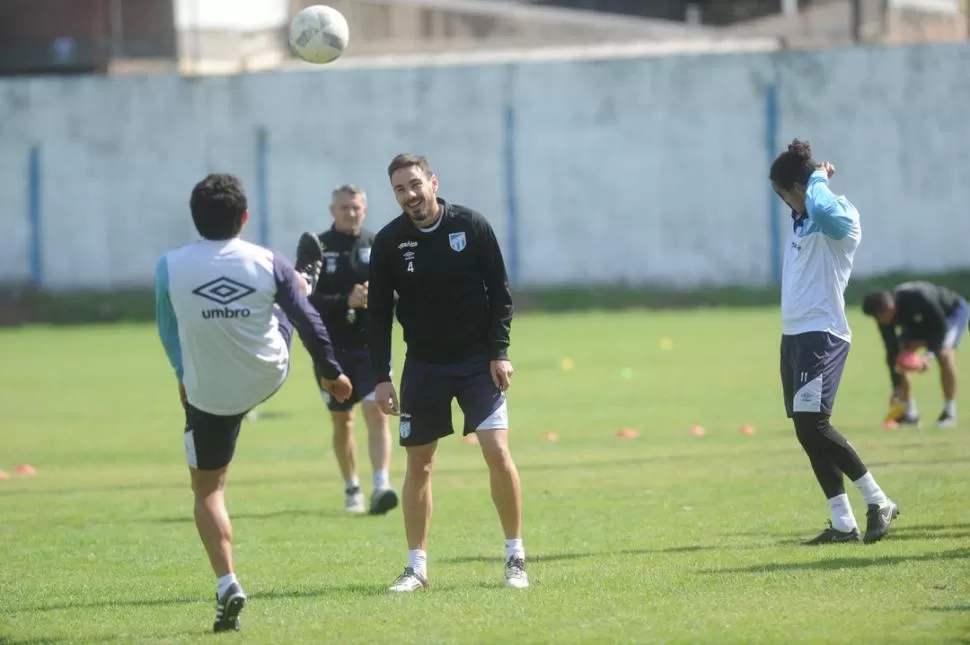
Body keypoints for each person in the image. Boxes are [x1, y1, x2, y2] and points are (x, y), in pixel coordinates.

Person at [155, 173, 352, 632]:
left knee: (207, 491)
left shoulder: (170, 265)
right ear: (245, 217)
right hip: (267, 373)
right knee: (289, 303)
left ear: (195, 218)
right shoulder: (267, 261)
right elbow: (309, 321)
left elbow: (167, 330)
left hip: (208, 392)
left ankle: (227, 583)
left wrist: (183, 376)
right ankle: (303, 280)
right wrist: (331, 370)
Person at [367, 153, 527, 591]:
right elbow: (378, 314)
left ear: (433, 182)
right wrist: (380, 376)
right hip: (423, 366)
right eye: (400, 189)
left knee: (496, 453)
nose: (410, 195)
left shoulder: (471, 226)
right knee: (419, 465)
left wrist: (499, 352)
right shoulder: (388, 243)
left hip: (478, 363)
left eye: (415, 184)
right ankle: (416, 567)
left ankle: (516, 557)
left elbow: (500, 292)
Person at [770, 139, 899, 545]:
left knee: (817, 424)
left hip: (821, 335)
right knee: (805, 430)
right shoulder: (803, 216)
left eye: (784, 194)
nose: (785, 203)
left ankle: (879, 501)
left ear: (799, 187)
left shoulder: (838, 214)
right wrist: (808, 187)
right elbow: (810, 209)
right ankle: (842, 522)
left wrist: (818, 179)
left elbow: (822, 207)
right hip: (793, 337)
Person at [295, 184, 398, 515]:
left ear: (364, 210)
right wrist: (346, 301)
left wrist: (376, 296)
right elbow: (304, 299)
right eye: (344, 208)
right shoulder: (318, 247)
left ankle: (381, 484)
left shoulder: (378, 244)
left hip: (370, 347)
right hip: (332, 350)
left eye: (356, 207)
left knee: (377, 412)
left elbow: (399, 293)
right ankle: (352, 487)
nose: (351, 213)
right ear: (332, 211)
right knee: (343, 421)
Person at [862, 282, 969, 428]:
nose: (878, 321)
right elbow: (891, 351)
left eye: (878, 317)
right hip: (922, 324)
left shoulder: (918, 297)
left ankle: (949, 412)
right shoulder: (883, 317)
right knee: (901, 358)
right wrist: (896, 387)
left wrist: (928, 356)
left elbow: (940, 328)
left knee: (944, 353)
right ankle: (910, 414)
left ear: (889, 307)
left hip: (950, 315)